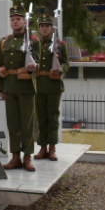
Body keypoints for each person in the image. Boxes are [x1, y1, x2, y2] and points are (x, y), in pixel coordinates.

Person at [0, 5, 39, 172]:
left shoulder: (33, 42)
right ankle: (15, 157)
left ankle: (27, 158)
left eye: (18, 19)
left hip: (26, 87)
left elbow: (39, 63)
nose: (15, 22)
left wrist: (33, 68)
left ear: (25, 22)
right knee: (13, 124)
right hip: (10, 88)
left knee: (27, 125)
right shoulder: (4, 42)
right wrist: (0, 88)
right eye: (13, 19)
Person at [34, 10, 69, 161]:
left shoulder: (60, 45)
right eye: (42, 26)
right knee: (41, 118)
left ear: (52, 28)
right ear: (39, 28)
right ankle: (43, 148)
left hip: (53, 86)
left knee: (53, 118)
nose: (44, 29)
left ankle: (52, 149)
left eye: (47, 26)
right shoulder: (34, 45)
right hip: (38, 86)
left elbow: (66, 63)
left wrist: (61, 69)